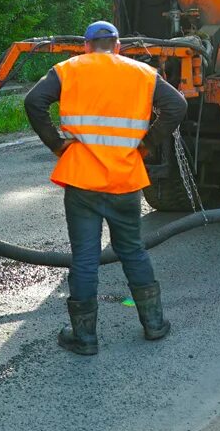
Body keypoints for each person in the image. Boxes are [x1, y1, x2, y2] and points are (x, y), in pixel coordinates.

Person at [24, 20, 188, 355]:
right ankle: (154, 324)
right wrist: (146, 144)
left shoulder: (68, 69)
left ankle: (84, 338)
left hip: (83, 179)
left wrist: (56, 144)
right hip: (125, 179)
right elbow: (177, 107)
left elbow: (33, 102)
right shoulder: (141, 73)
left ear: (86, 46)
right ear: (117, 46)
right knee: (132, 249)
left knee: (85, 256)